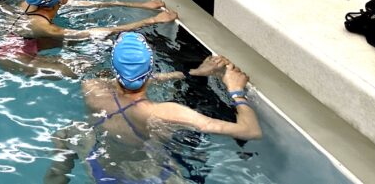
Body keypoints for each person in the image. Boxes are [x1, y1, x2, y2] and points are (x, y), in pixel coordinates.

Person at [45, 33, 262, 183]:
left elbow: (123, 80)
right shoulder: (165, 112)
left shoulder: (92, 88)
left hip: (100, 173)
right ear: (150, 72)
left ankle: (57, 174)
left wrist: (193, 73)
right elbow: (250, 131)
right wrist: (236, 91)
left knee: (67, 133)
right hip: (147, 177)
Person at [0, 0, 176, 79]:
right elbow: (95, 33)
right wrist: (151, 20)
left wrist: (142, 5)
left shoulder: (32, 2)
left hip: (21, 43)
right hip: (13, 59)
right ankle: (148, 78)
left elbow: (89, 4)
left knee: (76, 45)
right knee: (85, 66)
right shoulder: (43, 26)